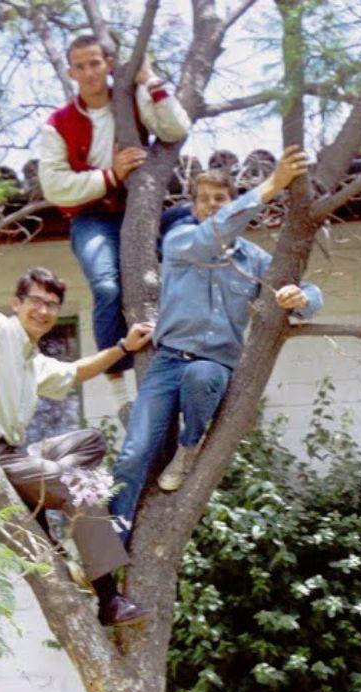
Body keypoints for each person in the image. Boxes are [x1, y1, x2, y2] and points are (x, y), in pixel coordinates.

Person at [108, 145, 323, 540]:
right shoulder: (181, 241)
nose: (210, 206)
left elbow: (301, 286)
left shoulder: (253, 260)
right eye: (203, 200)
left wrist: (304, 297)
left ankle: (189, 447)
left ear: (231, 201)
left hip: (215, 364)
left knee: (203, 375)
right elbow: (214, 236)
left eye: (219, 199)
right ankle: (105, 548)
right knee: (133, 454)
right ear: (194, 207)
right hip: (168, 361)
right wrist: (270, 186)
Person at [0, 266, 150, 627]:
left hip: (14, 454)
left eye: (53, 305)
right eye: (36, 302)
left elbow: (75, 372)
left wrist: (124, 347)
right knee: (80, 489)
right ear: (17, 303)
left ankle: (40, 495)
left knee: (90, 441)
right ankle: (108, 600)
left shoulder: (31, 359)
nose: (44, 311)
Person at [38, 34, 190, 406]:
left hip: (144, 211)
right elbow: (54, 186)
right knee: (107, 287)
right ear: (71, 72)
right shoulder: (58, 123)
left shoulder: (131, 99)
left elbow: (176, 129)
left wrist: (149, 78)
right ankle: (119, 385)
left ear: (108, 63)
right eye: (81, 66)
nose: (90, 73)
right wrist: (109, 176)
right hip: (94, 218)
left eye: (96, 63)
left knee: (196, 222)